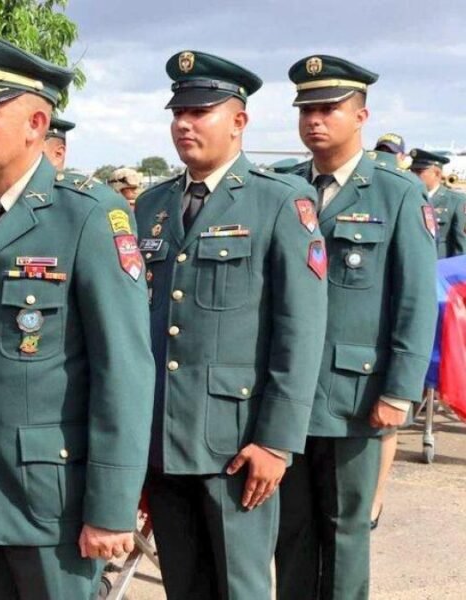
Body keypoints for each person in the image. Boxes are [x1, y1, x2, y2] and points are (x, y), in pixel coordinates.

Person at [0, 32, 155, 599]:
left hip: (53, 501)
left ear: (35, 123)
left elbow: (123, 370)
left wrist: (112, 505)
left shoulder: (89, 215)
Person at [133, 50, 328, 599]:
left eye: (200, 112)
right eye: (178, 113)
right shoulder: (152, 206)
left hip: (236, 444)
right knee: (184, 585)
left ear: (239, 120)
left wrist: (277, 440)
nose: (184, 124)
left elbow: (301, 330)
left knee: (240, 587)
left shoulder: (281, 202)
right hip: (162, 438)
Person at [275, 55, 437, 600]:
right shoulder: (283, 189)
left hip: (356, 394)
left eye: (328, 108)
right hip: (287, 397)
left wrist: (399, 390)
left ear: (361, 116)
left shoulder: (397, 193)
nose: (314, 120)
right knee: (291, 532)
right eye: (306, 110)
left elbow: (416, 301)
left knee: (346, 529)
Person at [410, 148, 466, 258]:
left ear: (437, 173)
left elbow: (462, 246)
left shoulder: (456, 201)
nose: (414, 175)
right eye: (412, 171)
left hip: (441, 269)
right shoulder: (409, 198)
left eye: (419, 171)